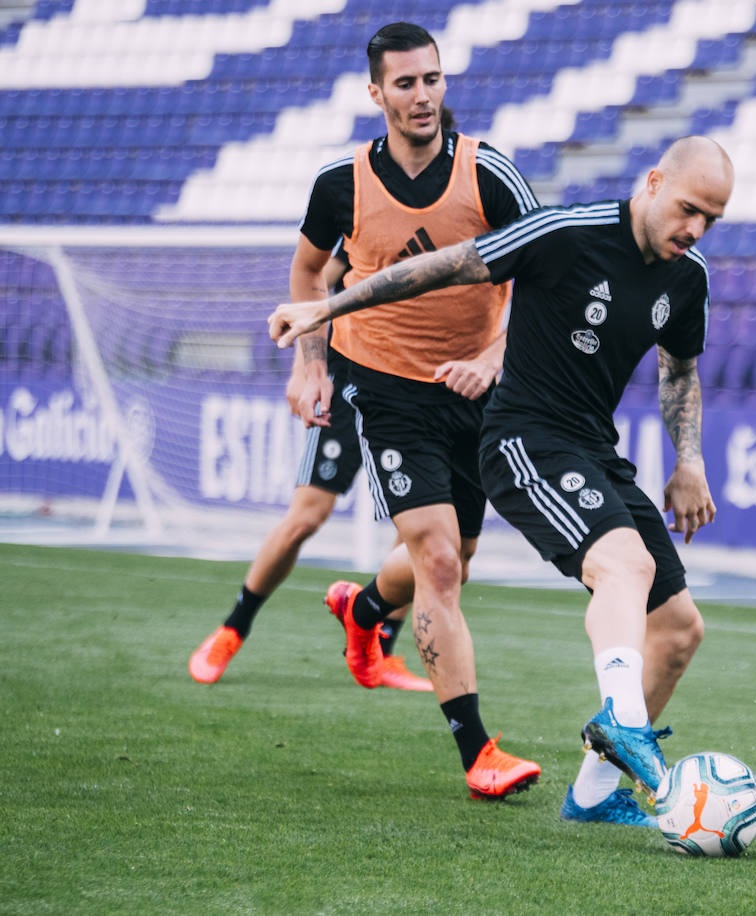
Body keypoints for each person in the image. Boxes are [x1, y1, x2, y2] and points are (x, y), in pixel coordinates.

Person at [270, 135, 734, 827]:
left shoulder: (686, 276)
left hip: (593, 451)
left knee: (678, 630)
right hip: (523, 439)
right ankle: (624, 722)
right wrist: (326, 309)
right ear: (654, 181)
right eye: (689, 209)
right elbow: (439, 268)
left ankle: (592, 796)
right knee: (625, 567)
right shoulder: (566, 232)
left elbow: (679, 370)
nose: (694, 229)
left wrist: (688, 462)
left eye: (711, 220)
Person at [279, 21, 544, 801]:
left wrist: (496, 358)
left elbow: (543, 269)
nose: (421, 95)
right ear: (376, 94)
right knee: (435, 564)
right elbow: (307, 269)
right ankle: (478, 753)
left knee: (454, 560)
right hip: (383, 382)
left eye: (431, 80)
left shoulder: (491, 175)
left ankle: (363, 609)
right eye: (405, 83)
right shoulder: (341, 184)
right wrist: (312, 361)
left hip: (471, 385)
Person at [189, 256, 432, 692]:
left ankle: (384, 650)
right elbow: (315, 282)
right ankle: (232, 629)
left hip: (413, 389)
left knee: (420, 521)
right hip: (347, 383)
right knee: (305, 518)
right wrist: (305, 369)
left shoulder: (455, 207)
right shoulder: (363, 205)